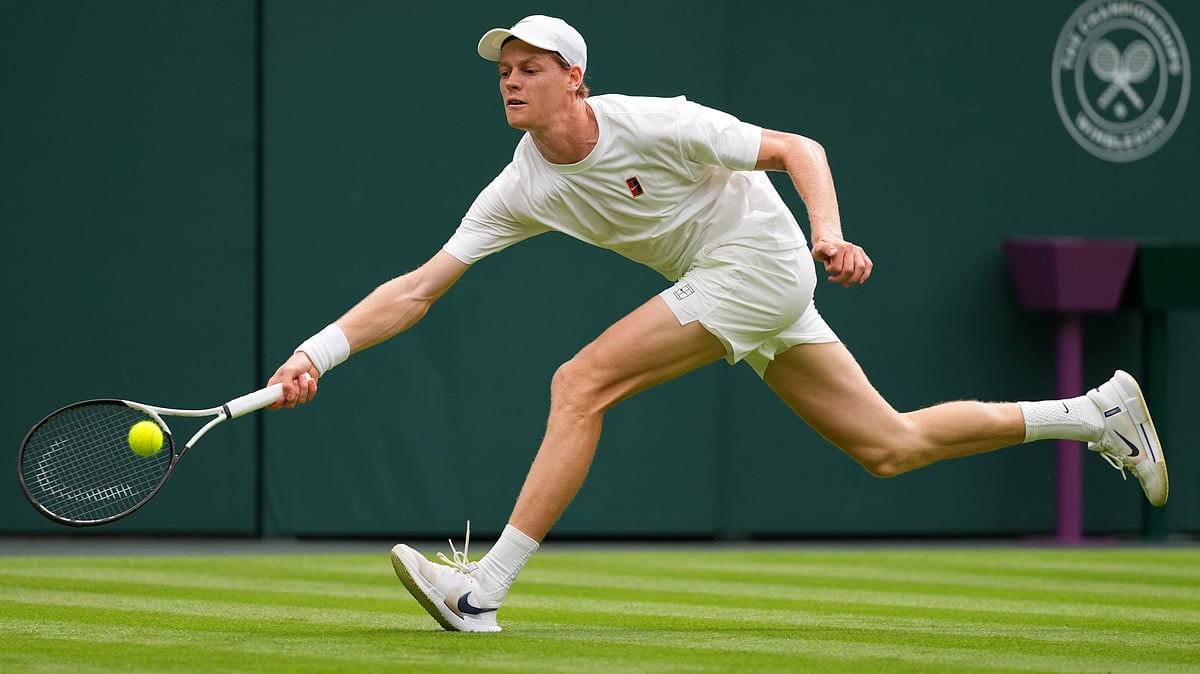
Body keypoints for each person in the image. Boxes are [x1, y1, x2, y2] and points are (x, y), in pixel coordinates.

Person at [267, 15, 1169, 632]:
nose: (511, 81)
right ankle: (1095, 412)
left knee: (580, 383)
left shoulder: (654, 122)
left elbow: (796, 150)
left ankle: (482, 592)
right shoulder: (521, 184)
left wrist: (830, 235)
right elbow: (419, 287)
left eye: (530, 68)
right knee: (890, 445)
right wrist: (317, 353)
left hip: (764, 264)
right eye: (504, 71)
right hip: (732, 281)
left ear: (574, 79)